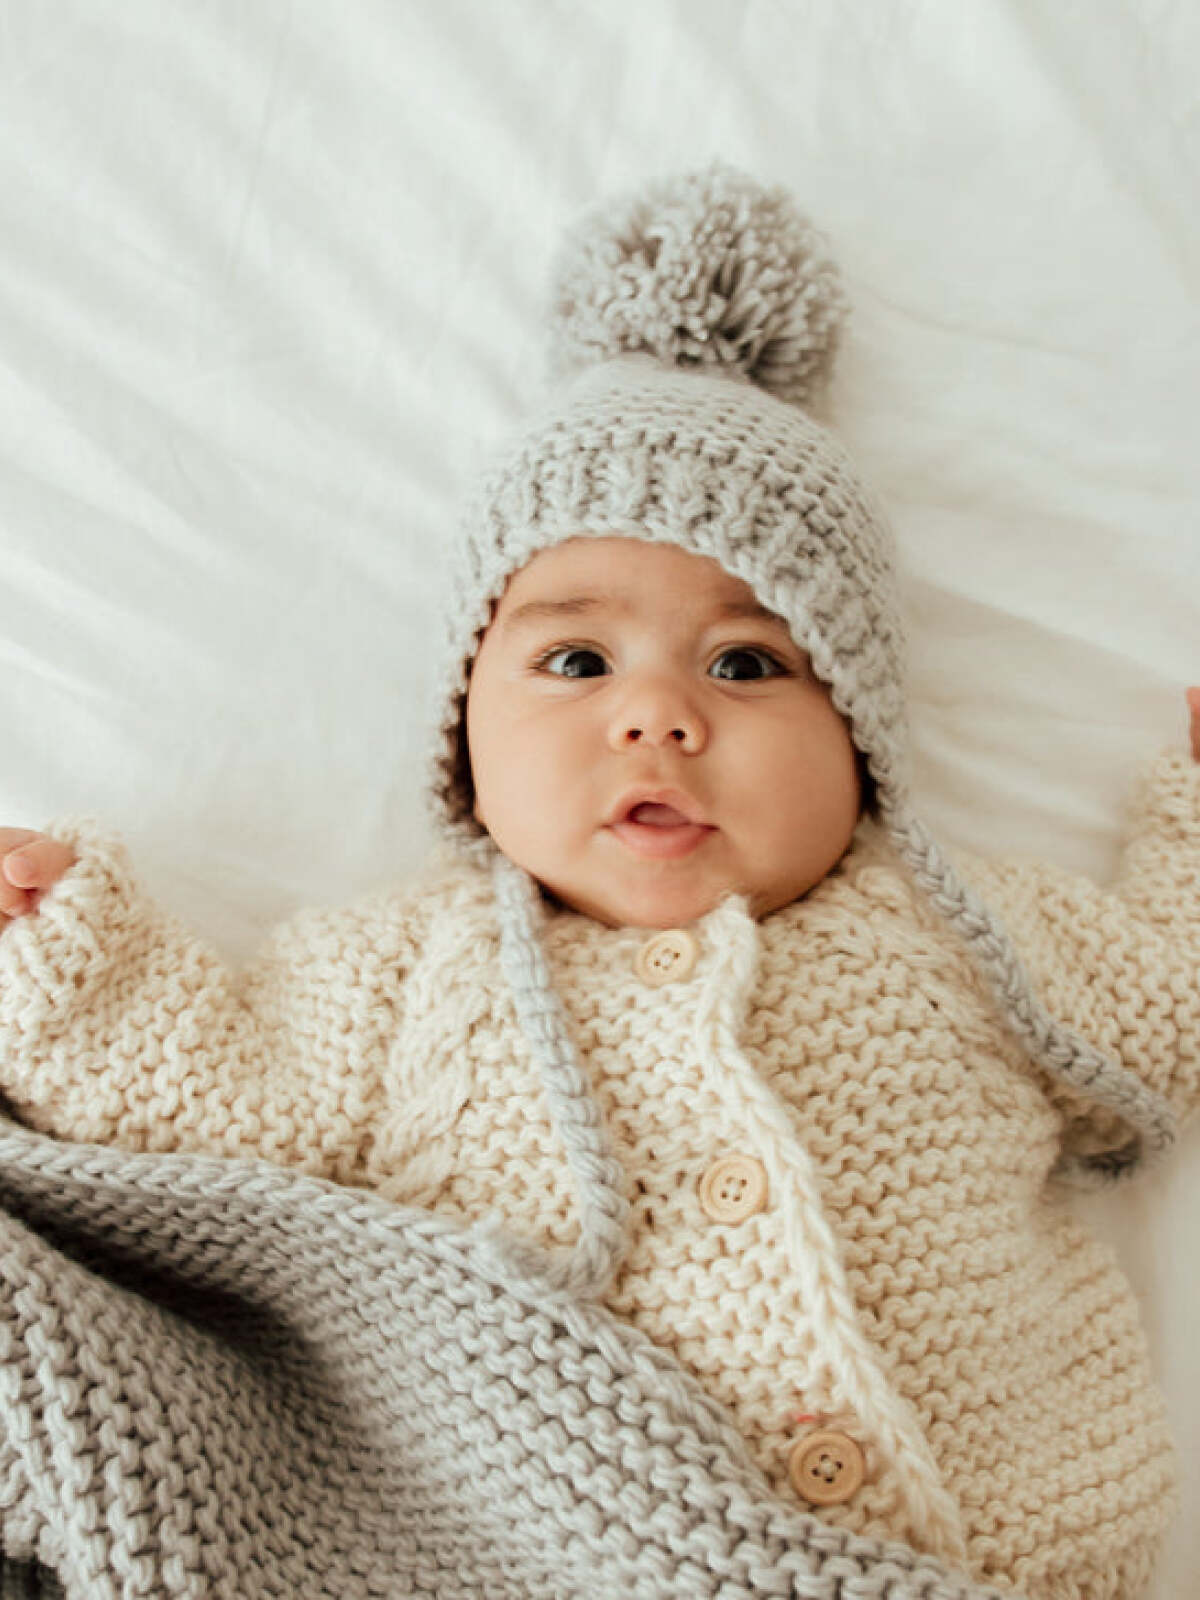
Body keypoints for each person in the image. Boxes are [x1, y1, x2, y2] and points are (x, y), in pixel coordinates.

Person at [0, 166, 1197, 1600]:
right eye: (577, 662)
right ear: (465, 725)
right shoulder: (403, 972)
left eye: (747, 664)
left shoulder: (970, 936)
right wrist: (62, 949)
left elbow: (1164, 1000)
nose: (658, 717)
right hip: (554, 1550)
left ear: (863, 738)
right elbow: (206, 1098)